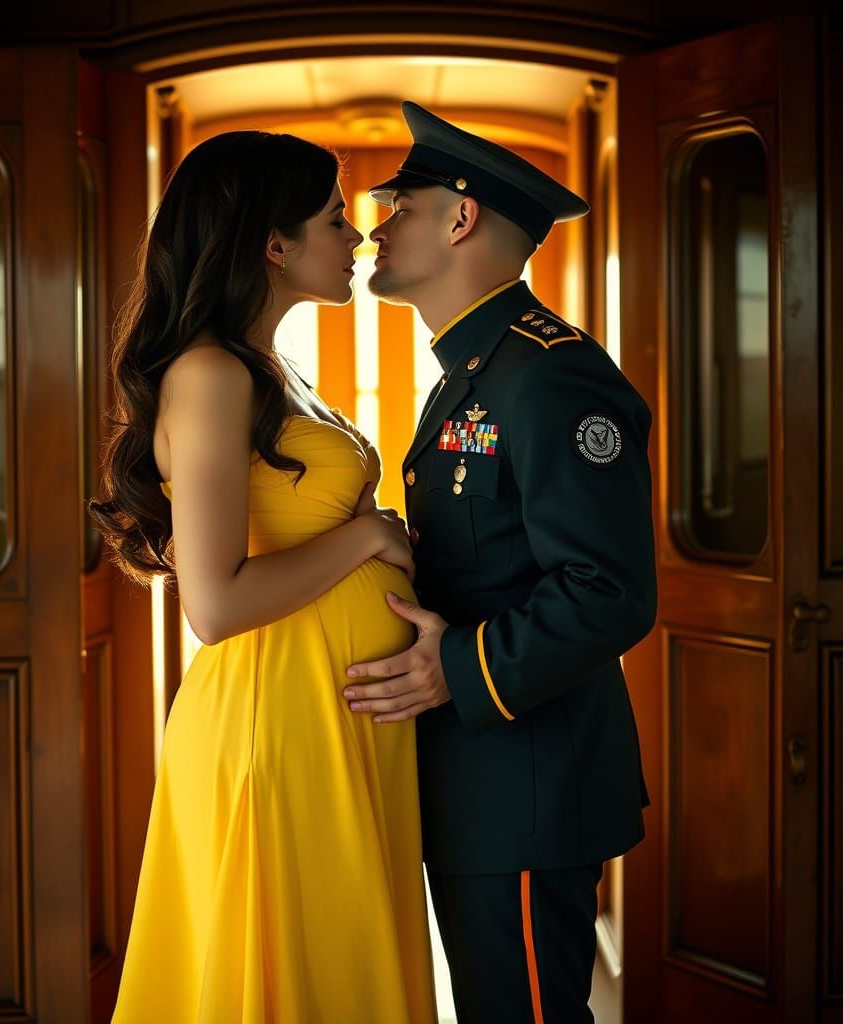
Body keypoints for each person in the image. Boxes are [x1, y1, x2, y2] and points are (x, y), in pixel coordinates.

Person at [89, 130, 437, 1023]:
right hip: (275, 725)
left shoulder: (270, 370)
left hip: (331, 717)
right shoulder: (210, 375)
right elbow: (213, 604)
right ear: (275, 245)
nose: (358, 238)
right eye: (334, 218)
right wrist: (367, 542)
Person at [342, 101, 657, 1023]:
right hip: (485, 777)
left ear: (461, 218)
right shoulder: (473, 367)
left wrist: (454, 669)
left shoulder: (550, 372)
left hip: (526, 779)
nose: (379, 229)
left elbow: (610, 592)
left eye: (401, 206)